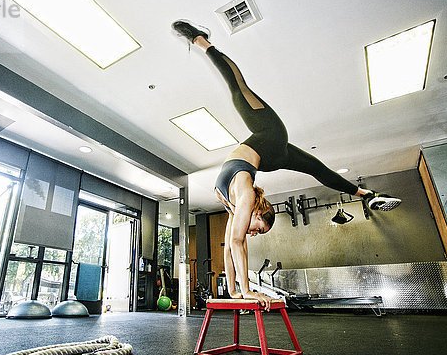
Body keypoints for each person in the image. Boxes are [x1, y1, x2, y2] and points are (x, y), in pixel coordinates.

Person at [172, 20, 402, 311]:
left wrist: (234, 291)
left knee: (317, 169)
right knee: (237, 88)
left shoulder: (236, 208)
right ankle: (201, 40)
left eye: (258, 233)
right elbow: (238, 242)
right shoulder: (245, 197)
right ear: (259, 210)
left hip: (268, 158)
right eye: (260, 228)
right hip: (270, 135)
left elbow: (229, 249)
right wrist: (247, 291)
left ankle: (364, 194)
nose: (254, 233)